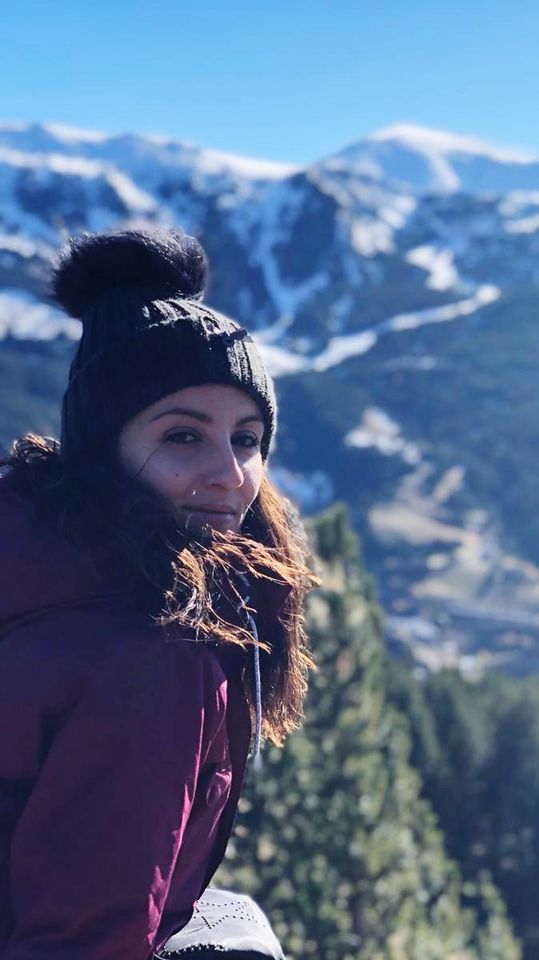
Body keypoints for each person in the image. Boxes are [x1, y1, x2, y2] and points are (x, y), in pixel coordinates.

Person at [0, 228, 317, 959]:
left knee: (230, 920)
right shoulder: (153, 647)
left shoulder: (38, 550)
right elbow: (85, 937)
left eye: (246, 439)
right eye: (183, 437)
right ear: (103, 446)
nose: (231, 475)